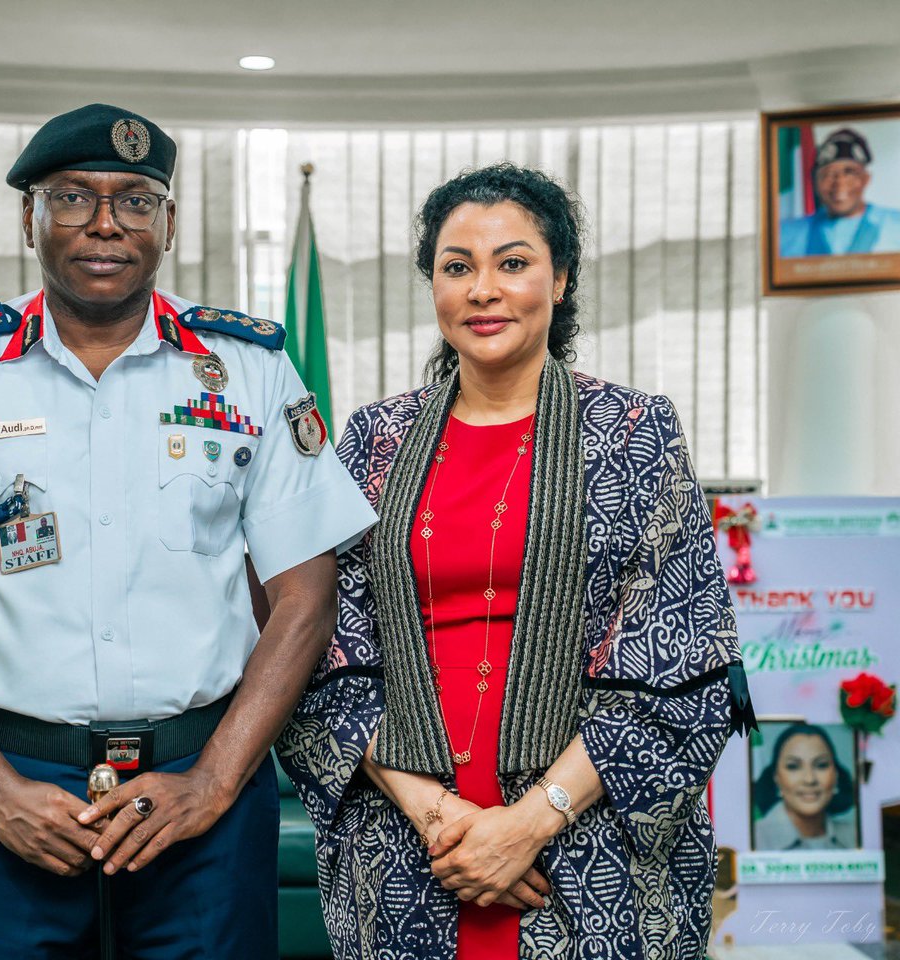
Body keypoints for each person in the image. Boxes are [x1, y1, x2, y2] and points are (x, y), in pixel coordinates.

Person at [0, 102, 377, 958]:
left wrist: (215, 781)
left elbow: (306, 599)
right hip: (11, 784)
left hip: (202, 788)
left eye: (137, 199)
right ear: (29, 216)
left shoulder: (252, 368)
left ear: (170, 222)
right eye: (74, 197)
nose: (106, 224)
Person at [276, 163, 756, 960]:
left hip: (588, 841)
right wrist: (445, 820)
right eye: (457, 267)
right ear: (432, 286)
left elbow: (677, 658)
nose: (482, 289)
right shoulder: (371, 441)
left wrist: (527, 825)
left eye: (514, 262)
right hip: (410, 844)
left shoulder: (634, 432)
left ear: (560, 279)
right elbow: (326, 653)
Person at [779, 127, 900, 257]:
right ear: (815, 181)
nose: (839, 183)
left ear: (866, 179)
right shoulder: (785, 234)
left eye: (849, 172)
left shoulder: (895, 226)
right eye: (828, 174)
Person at [753, 723, 857, 851]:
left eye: (821, 765)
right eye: (793, 766)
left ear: (836, 775)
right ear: (776, 777)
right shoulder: (753, 838)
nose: (810, 779)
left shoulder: (855, 836)